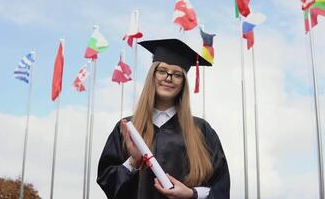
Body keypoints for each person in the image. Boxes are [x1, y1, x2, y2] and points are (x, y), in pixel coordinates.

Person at [97, 39, 230, 199]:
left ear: (183, 83)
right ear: (152, 75)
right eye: (162, 71)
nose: (168, 78)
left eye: (177, 74)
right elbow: (108, 182)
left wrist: (191, 193)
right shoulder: (127, 128)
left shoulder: (201, 130)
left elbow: (221, 187)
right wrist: (134, 160)